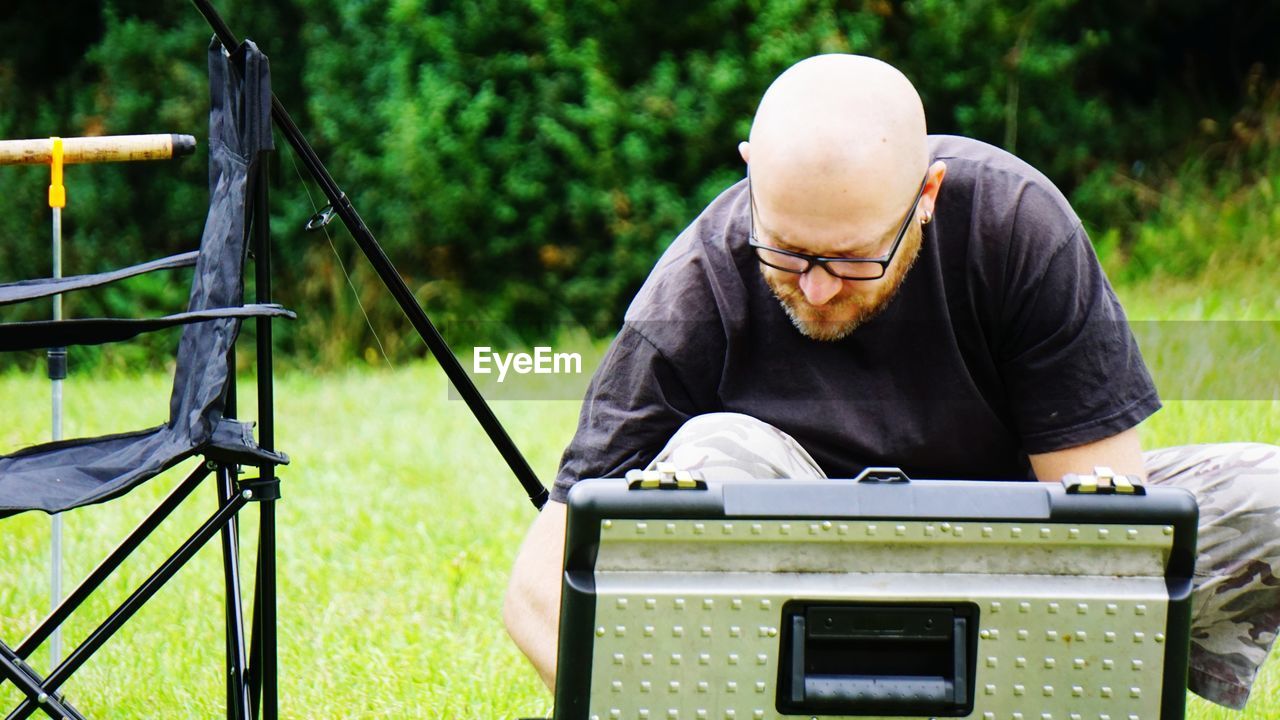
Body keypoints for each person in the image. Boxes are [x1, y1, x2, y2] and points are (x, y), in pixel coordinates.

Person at [503, 54, 1280, 710]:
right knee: (715, 448)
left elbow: (1111, 541)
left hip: (1016, 565)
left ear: (928, 197)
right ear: (750, 175)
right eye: (785, 251)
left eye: (850, 259)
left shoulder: (1018, 225)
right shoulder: (692, 291)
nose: (813, 288)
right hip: (796, 595)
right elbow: (539, 587)